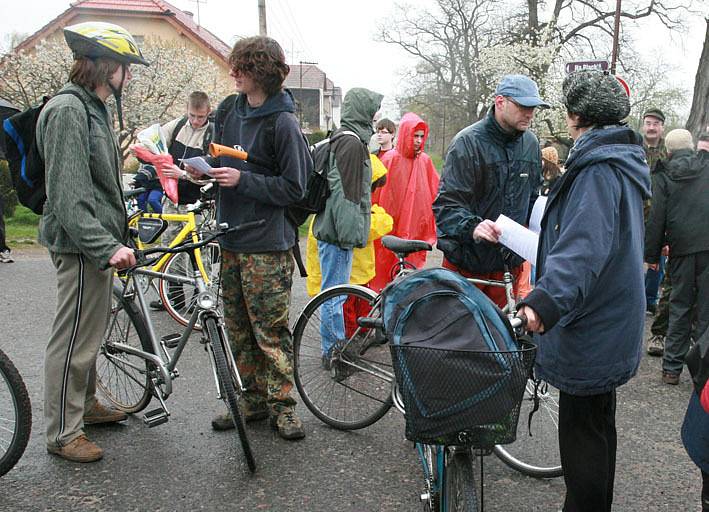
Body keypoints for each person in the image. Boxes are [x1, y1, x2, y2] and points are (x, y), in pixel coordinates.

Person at [517, 69, 650, 512]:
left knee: (583, 444)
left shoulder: (596, 170)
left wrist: (543, 303)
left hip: (590, 325)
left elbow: (582, 250)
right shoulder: (620, 161)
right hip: (608, 319)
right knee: (596, 429)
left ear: (576, 116)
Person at [183, 36, 311, 440]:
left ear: (264, 73)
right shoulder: (228, 110)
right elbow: (220, 160)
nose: (234, 72)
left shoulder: (283, 123)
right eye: (235, 65)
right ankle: (252, 400)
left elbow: (296, 188)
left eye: (244, 67)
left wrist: (244, 180)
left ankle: (284, 407)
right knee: (237, 328)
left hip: (268, 245)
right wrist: (202, 172)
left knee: (270, 332)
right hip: (231, 237)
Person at [36, 21, 148, 463]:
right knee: (72, 341)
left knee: (90, 333)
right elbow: (68, 194)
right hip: (81, 247)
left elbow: (98, 183)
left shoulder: (93, 107)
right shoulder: (69, 110)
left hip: (97, 242)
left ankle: (88, 407)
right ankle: (63, 433)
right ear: (106, 66)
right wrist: (104, 246)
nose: (130, 76)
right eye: (126, 67)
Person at [433, 74, 547, 307]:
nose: (529, 113)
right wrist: (473, 226)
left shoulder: (531, 144)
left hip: (508, 265)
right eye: (523, 106)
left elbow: (533, 199)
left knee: (501, 336)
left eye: (533, 107)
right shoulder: (467, 143)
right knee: (458, 336)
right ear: (500, 102)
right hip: (468, 263)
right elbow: (447, 205)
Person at [311, 87, 383, 362]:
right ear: (363, 112)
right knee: (335, 295)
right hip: (337, 233)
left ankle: (333, 349)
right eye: (372, 114)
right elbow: (347, 195)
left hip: (331, 229)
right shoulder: (352, 144)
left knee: (334, 292)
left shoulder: (344, 138)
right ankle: (334, 353)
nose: (375, 121)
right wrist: (351, 236)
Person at [645, 129, 709, 385]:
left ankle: (671, 368)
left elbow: (656, 216)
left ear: (668, 150)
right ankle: (703, 373)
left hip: (681, 250)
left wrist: (651, 253)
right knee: (706, 311)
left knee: (679, 307)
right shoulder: (706, 168)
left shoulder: (664, 172)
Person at [150, 91, 213, 310]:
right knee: (170, 248)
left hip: (198, 203)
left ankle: (201, 298)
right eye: (192, 116)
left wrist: (184, 174)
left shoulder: (212, 134)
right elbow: (153, 140)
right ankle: (173, 300)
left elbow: (212, 174)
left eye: (200, 117)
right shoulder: (177, 126)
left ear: (208, 113)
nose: (196, 121)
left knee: (199, 252)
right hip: (173, 199)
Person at [369, 112, 439, 292]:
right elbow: (376, 195)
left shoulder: (424, 161)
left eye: (421, 137)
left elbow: (436, 192)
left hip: (416, 230)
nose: (418, 140)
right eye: (415, 136)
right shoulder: (390, 159)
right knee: (386, 274)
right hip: (391, 227)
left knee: (411, 278)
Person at [641, 108, 669, 352]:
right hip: (636, 215)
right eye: (648, 123)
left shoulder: (668, 153)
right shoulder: (634, 149)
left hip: (658, 219)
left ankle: (650, 301)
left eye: (656, 124)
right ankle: (632, 299)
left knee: (656, 265)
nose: (651, 127)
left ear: (662, 127)